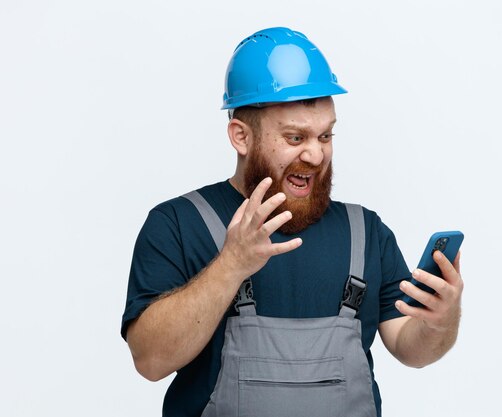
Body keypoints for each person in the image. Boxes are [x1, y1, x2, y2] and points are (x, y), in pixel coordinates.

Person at [121, 27, 463, 417]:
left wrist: (440, 322)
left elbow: (411, 348)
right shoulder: (178, 224)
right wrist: (231, 265)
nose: (316, 155)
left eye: (326, 135)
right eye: (296, 138)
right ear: (241, 137)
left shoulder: (366, 233)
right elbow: (149, 361)